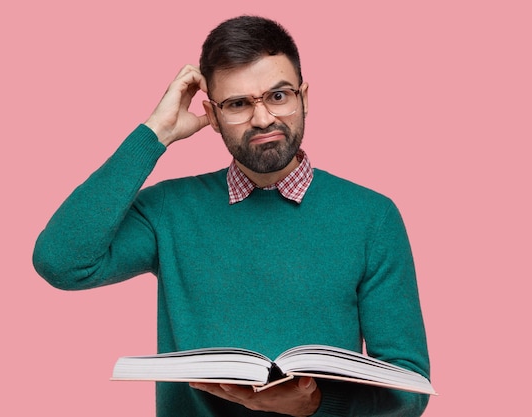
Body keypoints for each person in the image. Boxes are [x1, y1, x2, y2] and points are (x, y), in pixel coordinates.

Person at [33, 15, 431, 417]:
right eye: (238, 104)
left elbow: (409, 389)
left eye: (279, 96)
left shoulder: (371, 217)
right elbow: (62, 263)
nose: (262, 119)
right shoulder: (169, 209)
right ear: (212, 114)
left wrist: (316, 404)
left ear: (304, 98)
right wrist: (155, 133)